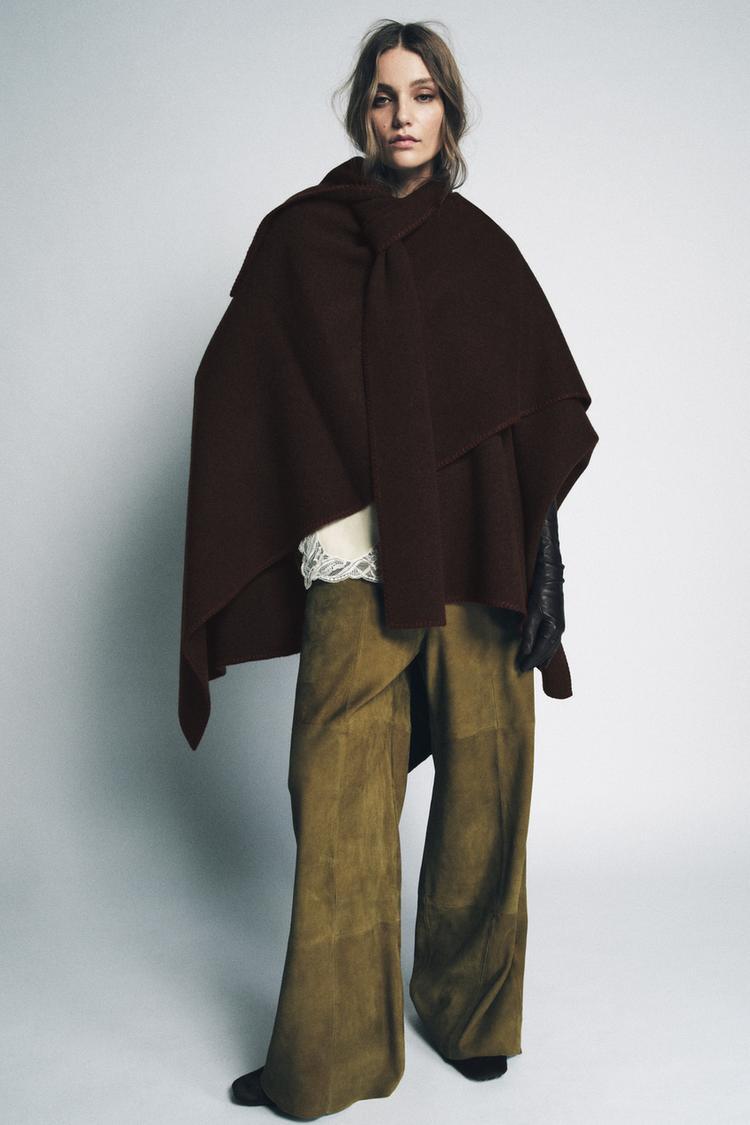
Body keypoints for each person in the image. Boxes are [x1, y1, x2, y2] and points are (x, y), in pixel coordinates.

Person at [178, 19, 598, 1121]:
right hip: (356, 565)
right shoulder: (299, 240)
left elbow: (532, 416)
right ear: (359, 111)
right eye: (382, 94)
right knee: (336, 801)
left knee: (489, 783)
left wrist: (544, 568)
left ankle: (469, 1011)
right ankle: (330, 1052)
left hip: (476, 556)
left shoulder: (482, 251)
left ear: (448, 112)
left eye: (422, 94)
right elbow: (238, 385)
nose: (402, 113)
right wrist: (309, 477)